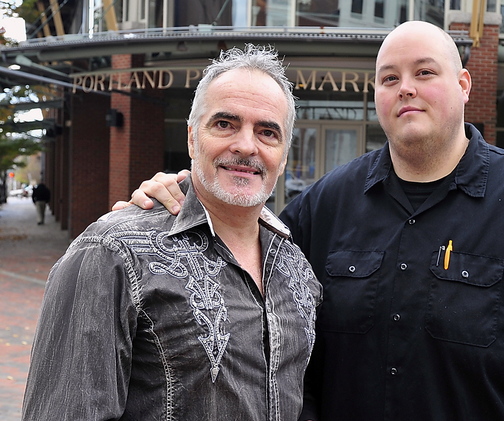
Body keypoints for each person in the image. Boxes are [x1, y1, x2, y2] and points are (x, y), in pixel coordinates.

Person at [117, 21, 504, 420]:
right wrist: (179, 196)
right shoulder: (326, 203)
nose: (405, 87)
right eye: (389, 77)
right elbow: (236, 254)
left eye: (424, 72)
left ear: (463, 84)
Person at [22, 44, 322, 421]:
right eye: (225, 124)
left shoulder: (296, 267)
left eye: (267, 132)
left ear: (284, 153)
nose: (246, 146)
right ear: (192, 137)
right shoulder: (112, 253)